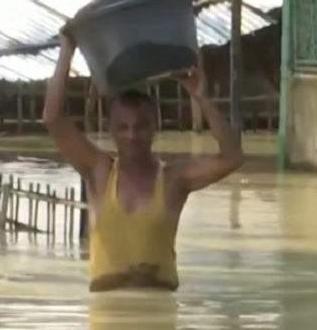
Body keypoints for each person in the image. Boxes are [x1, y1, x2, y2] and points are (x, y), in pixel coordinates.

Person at [42, 30, 245, 292]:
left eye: (140, 126)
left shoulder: (174, 179)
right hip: (109, 314)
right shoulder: (100, 172)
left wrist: (202, 98)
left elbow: (232, 157)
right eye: (123, 128)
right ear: (112, 131)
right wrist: (67, 50)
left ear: (155, 128)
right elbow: (52, 119)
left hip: (159, 310)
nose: (132, 135)